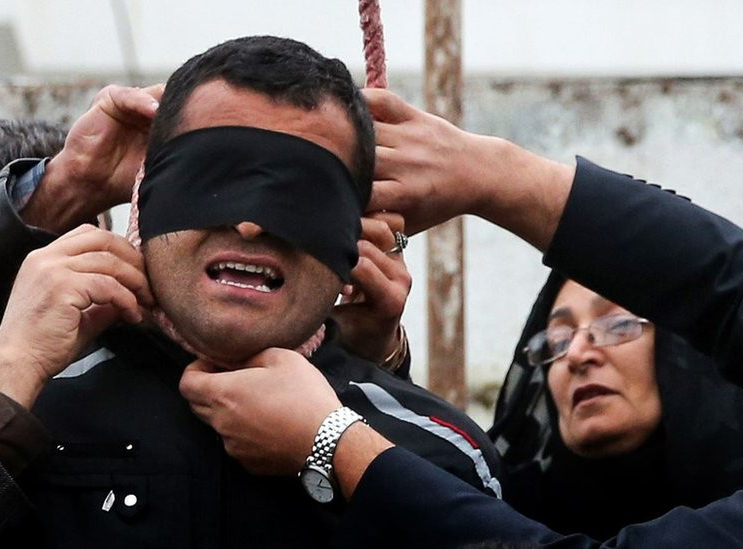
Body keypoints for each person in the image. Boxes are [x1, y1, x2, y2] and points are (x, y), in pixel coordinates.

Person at [0, 36, 497, 547]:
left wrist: (347, 438)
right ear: (143, 201)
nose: (250, 220)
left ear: (358, 234)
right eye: (210, 175)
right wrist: (54, 199)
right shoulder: (10, 435)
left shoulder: (435, 457)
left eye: (302, 191)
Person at [179, 86, 743, 547]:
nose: (578, 353)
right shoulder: (490, 486)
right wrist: (369, 364)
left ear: (691, 350)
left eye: (619, 325)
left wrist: (332, 442)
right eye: (556, 336)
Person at [489, 273, 743, 539]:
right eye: (559, 341)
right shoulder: (498, 521)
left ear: (684, 350)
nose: (575, 354)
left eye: (618, 326)